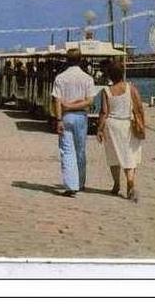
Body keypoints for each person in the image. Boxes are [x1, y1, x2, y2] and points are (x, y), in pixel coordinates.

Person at [52, 49, 98, 197]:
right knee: (80, 150)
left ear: (66, 60)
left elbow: (57, 100)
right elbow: (90, 101)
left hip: (66, 117)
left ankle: (71, 185)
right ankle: (81, 182)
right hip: (81, 117)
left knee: (67, 150)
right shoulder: (87, 78)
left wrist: (59, 118)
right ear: (81, 60)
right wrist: (76, 104)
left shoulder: (60, 78)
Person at [97, 61, 145, 201]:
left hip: (111, 125)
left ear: (110, 75)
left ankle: (116, 184)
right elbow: (139, 107)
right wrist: (142, 123)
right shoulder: (131, 88)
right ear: (122, 73)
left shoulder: (106, 91)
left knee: (113, 155)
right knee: (129, 154)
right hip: (126, 124)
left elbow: (104, 112)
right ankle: (130, 181)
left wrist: (99, 129)